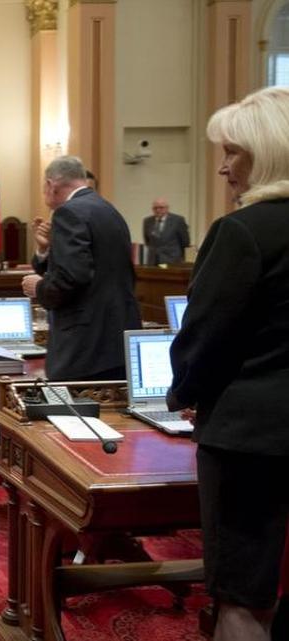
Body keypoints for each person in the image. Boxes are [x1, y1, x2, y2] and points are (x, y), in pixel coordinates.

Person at [168, 85, 289, 641]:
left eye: (233, 153)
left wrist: (183, 395)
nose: (223, 168)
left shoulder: (243, 231)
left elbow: (205, 337)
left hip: (250, 442)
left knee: (242, 597)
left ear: (268, 153)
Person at [21, 156, 140, 381]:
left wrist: (40, 288)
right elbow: (91, 266)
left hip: (84, 346)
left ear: (50, 184)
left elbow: (72, 277)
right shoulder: (109, 210)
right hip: (115, 341)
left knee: (72, 414)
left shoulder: (69, 212)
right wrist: (44, 250)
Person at [142, 197, 190, 266]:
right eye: (155, 208)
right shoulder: (147, 221)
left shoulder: (178, 220)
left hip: (172, 260)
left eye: (161, 207)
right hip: (153, 261)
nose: (158, 210)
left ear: (167, 208)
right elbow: (147, 240)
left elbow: (185, 242)